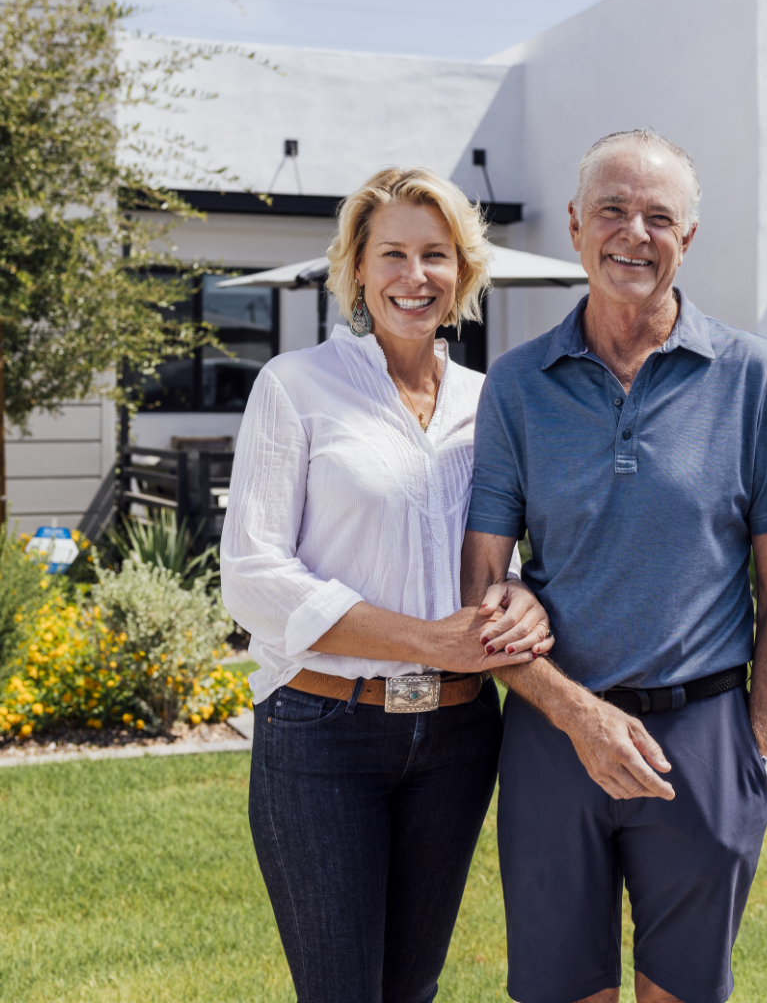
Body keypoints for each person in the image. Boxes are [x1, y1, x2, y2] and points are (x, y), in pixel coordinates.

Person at [461, 130, 767, 1003]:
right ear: (579, 227)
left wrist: (760, 759)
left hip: (701, 743)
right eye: (615, 211)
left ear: (688, 239)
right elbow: (480, 586)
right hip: (551, 736)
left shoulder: (755, 379)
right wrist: (578, 716)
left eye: (660, 216)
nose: (636, 232)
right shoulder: (515, 384)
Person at [221, 167, 552, 1003]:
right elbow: (255, 578)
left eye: (436, 255)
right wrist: (429, 641)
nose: (416, 277)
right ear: (358, 270)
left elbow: (502, 553)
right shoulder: (295, 387)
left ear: (463, 272)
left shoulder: (493, 402)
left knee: (411, 991)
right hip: (323, 733)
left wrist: (518, 594)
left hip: (458, 738)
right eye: (393, 254)